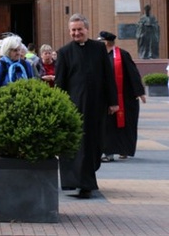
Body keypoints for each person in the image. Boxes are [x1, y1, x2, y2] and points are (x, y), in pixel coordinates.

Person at [55, 14, 118, 199]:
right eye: (73, 30)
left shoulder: (99, 48)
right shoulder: (64, 52)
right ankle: (80, 184)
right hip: (73, 108)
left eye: (79, 29)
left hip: (96, 106)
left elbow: (108, 75)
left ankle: (86, 181)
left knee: (93, 144)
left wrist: (113, 101)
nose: (76, 33)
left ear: (87, 30)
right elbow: (60, 82)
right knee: (76, 146)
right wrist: (60, 106)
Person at [97, 31, 146, 162]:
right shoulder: (99, 55)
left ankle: (120, 150)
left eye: (100, 41)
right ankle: (109, 152)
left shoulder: (122, 55)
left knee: (122, 125)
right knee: (107, 125)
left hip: (123, 97)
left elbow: (133, 73)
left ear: (106, 42)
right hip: (105, 97)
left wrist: (139, 92)